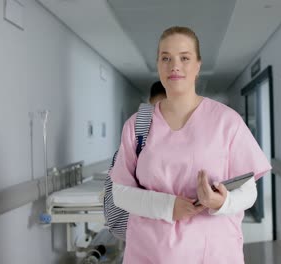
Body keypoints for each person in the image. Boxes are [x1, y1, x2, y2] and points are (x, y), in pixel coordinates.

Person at [110, 26, 271, 263]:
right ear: (158, 65)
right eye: (166, 58)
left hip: (214, 253)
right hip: (149, 253)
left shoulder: (226, 121)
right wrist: (168, 206)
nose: (174, 65)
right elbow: (120, 193)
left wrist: (222, 201)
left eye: (184, 58)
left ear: (198, 65)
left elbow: (248, 191)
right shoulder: (138, 125)